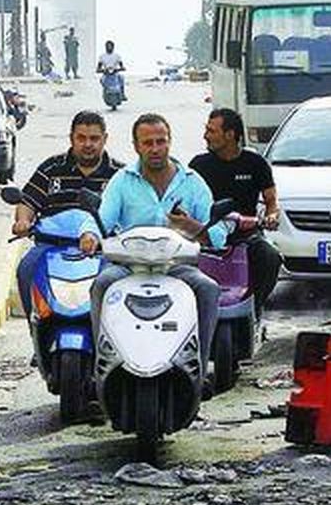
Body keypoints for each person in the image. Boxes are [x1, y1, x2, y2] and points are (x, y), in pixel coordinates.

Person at [79, 113, 224, 364]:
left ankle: (198, 369)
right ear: (136, 146)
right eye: (148, 143)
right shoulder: (122, 181)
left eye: (161, 141)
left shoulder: (192, 182)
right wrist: (90, 234)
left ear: (169, 142)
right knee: (101, 285)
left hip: (177, 268)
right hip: (128, 268)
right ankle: (103, 362)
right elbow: (101, 218)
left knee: (208, 288)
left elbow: (218, 234)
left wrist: (193, 227)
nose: (155, 149)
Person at [13, 110, 123, 315]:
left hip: (102, 250)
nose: (88, 144)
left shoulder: (119, 175)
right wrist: (23, 221)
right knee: (26, 269)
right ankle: (38, 328)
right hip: (50, 246)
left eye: (94, 138)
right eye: (81, 138)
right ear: (71, 138)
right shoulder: (51, 168)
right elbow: (28, 201)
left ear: (104, 139)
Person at [190, 108, 283, 315]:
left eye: (211, 131)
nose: (206, 136)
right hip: (206, 236)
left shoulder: (255, 163)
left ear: (230, 135)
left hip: (245, 235)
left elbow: (271, 201)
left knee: (270, 257)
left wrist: (271, 217)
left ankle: (253, 309)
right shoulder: (198, 165)